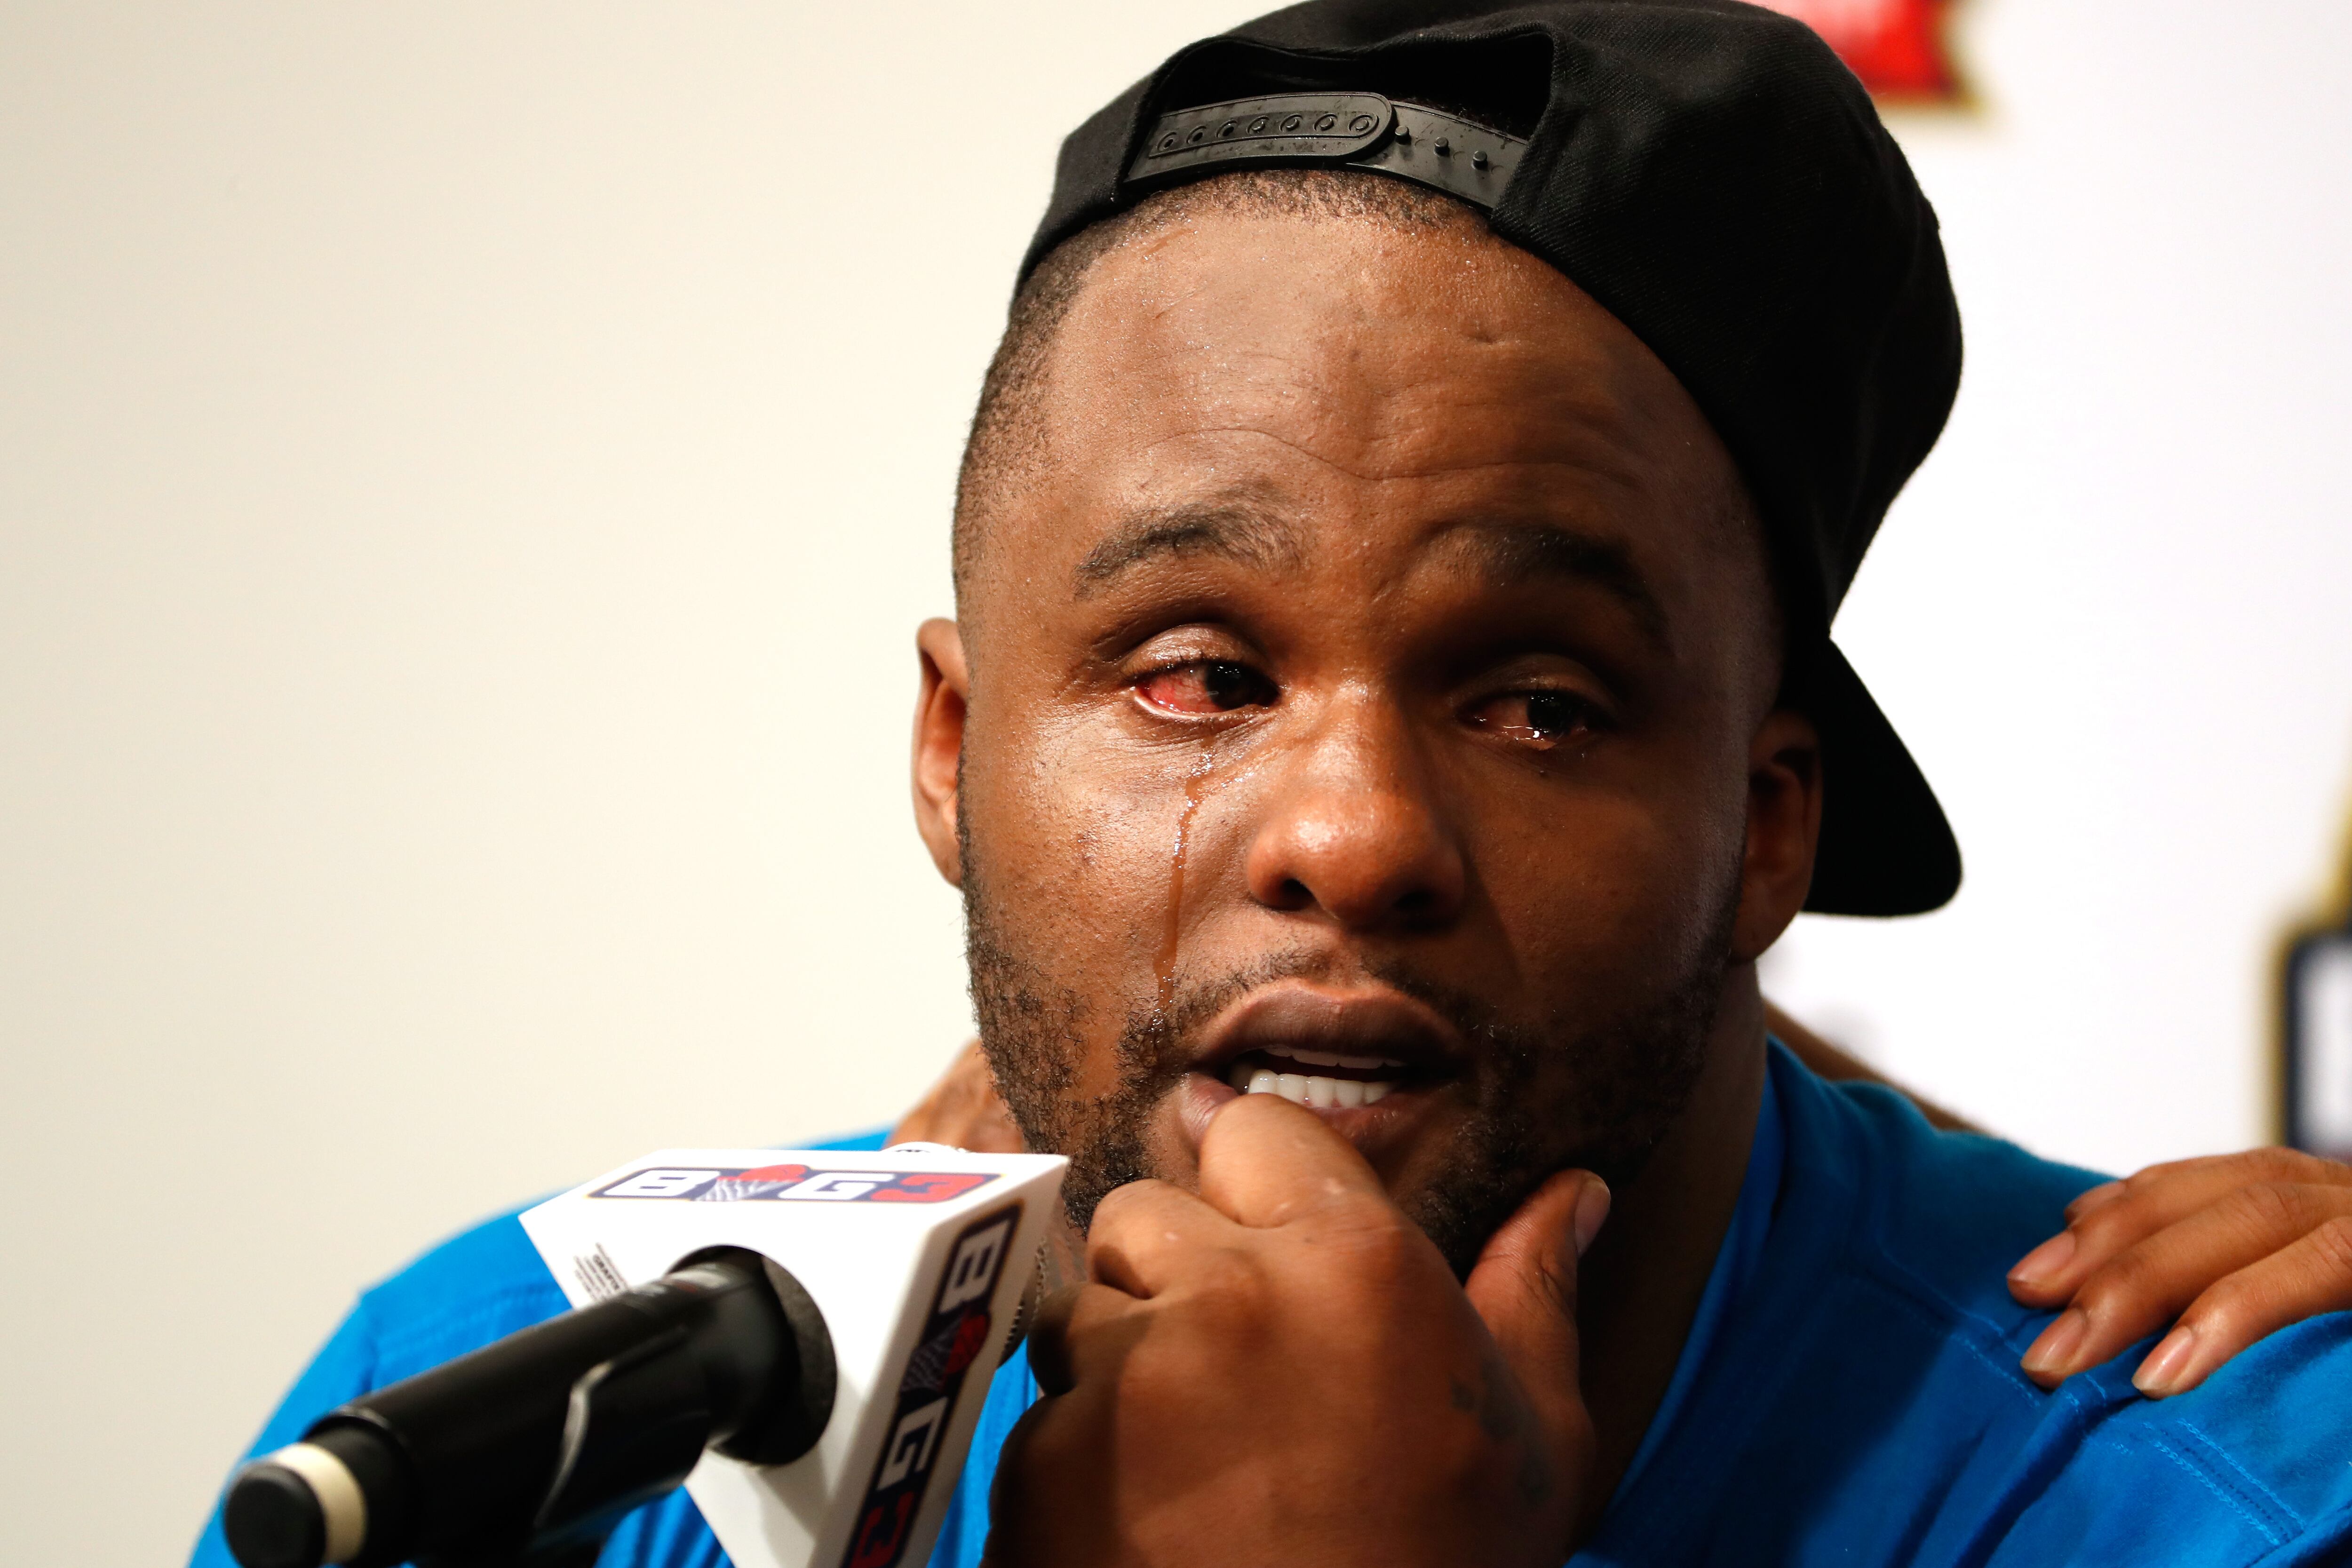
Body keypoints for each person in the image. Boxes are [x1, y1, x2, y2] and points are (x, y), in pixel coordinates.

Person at [192, 2, 2352, 1564]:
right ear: (951, 752)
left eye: (1535, 703)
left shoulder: (2235, 1495)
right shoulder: (511, 1430)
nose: (1347, 837)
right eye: (1195, 674)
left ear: (1764, 825)